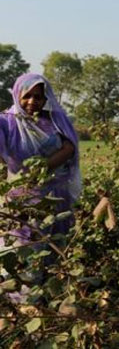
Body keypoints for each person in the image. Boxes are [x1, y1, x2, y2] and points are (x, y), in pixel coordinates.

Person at [0, 73, 81, 255]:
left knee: (55, 248)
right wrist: (26, 175)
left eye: (38, 97)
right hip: (24, 197)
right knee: (25, 248)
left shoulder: (55, 120)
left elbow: (69, 148)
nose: (32, 101)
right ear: (17, 95)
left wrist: (42, 167)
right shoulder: (7, 121)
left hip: (57, 195)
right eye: (27, 96)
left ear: (46, 98)